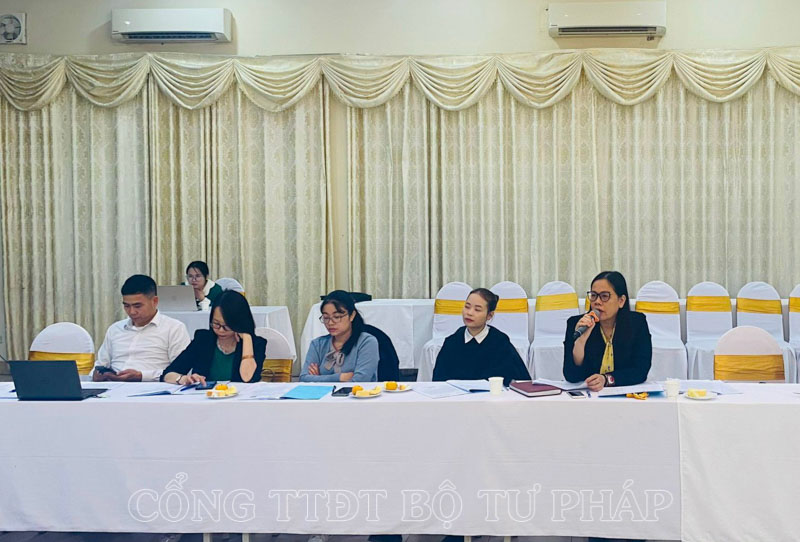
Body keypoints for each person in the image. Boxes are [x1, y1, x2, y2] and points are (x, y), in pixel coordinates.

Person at [563, 270, 652, 392]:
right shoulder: (576, 324)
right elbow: (571, 376)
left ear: (621, 301)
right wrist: (580, 342)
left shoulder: (637, 323)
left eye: (604, 296)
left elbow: (640, 371)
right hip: (589, 396)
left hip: (623, 394)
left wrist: (606, 379)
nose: (597, 302)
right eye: (593, 295)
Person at [93, 274, 190, 382]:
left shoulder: (173, 328)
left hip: (153, 388)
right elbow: (101, 364)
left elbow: (180, 371)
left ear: (154, 301)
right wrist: (97, 374)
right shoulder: (115, 329)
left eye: (137, 306)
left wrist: (142, 376)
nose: (132, 312)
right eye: (127, 306)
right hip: (112, 386)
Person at [161, 290, 266, 384]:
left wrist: (247, 338)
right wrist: (182, 379)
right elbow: (168, 374)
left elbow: (248, 378)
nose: (221, 330)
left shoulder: (256, 344)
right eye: (216, 324)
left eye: (227, 326)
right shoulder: (203, 340)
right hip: (204, 397)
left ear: (238, 323)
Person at [432, 288, 530, 386]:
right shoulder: (452, 342)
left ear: (489, 315)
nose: (469, 313)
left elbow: (522, 380)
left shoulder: (500, 342)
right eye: (467, 307)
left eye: (477, 309)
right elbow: (438, 381)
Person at [300, 290, 379, 382]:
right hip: (324, 392)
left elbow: (360, 381)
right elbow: (304, 378)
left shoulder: (366, 342)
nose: (330, 323)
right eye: (326, 318)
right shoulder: (317, 344)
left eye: (337, 317)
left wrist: (318, 379)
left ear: (352, 315)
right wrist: (341, 377)